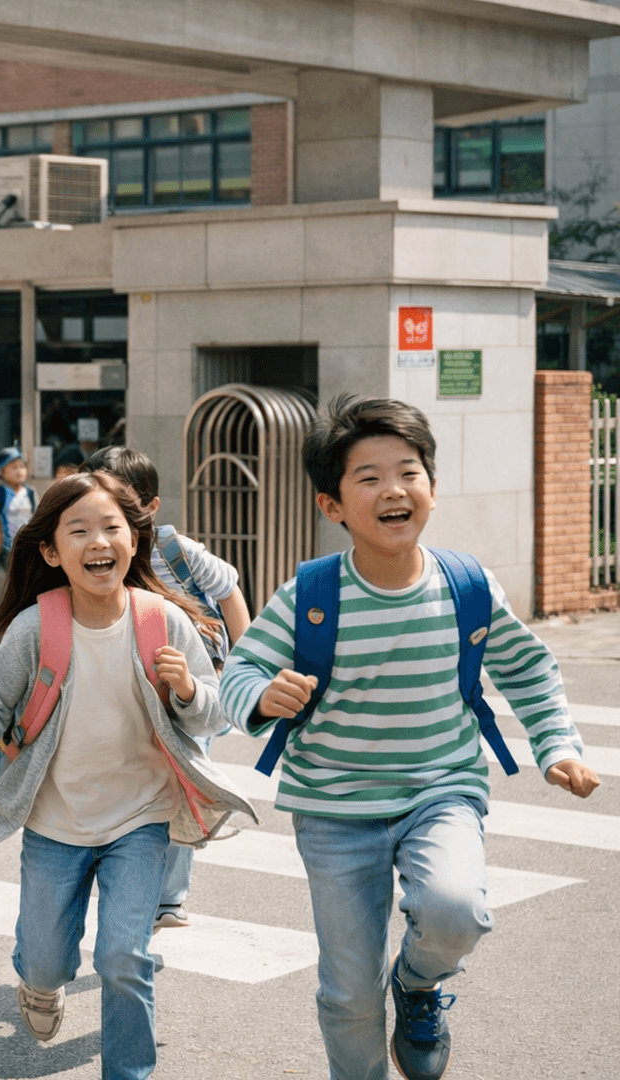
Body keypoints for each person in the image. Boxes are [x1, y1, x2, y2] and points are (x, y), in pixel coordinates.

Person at [220, 395, 600, 1080]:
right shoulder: (312, 592)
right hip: (334, 809)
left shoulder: (467, 587)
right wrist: (262, 695)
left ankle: (418, 982)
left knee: (457, 912)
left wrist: (559, 746)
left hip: (441, 790)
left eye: (409, 472)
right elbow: (240, 667)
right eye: (368, 477)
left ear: (431, 488)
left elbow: (528, 668)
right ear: (332, 506)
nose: (393, 489)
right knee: (347, 992)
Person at [0, 471, 252, 1080]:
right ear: (51, 552)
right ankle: (39, 981)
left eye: (111, 527)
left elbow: (216, 710)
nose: (98, 541)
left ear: (133, 542)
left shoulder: (162, 620)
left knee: (124, 957)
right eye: (79, 530)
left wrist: (188, 688)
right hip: (56, 822)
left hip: (140, 820)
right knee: (45, 959)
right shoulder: (38, 626)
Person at [83, 444, 251, 930]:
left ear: (150, 507)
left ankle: (167, 899)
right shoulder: (90, 547)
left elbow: (228, 592)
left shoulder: (177, 550)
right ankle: (125, 879)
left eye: (120, 499)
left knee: (183, 785)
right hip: (126, 691)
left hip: (191, 689)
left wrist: (242, 663)